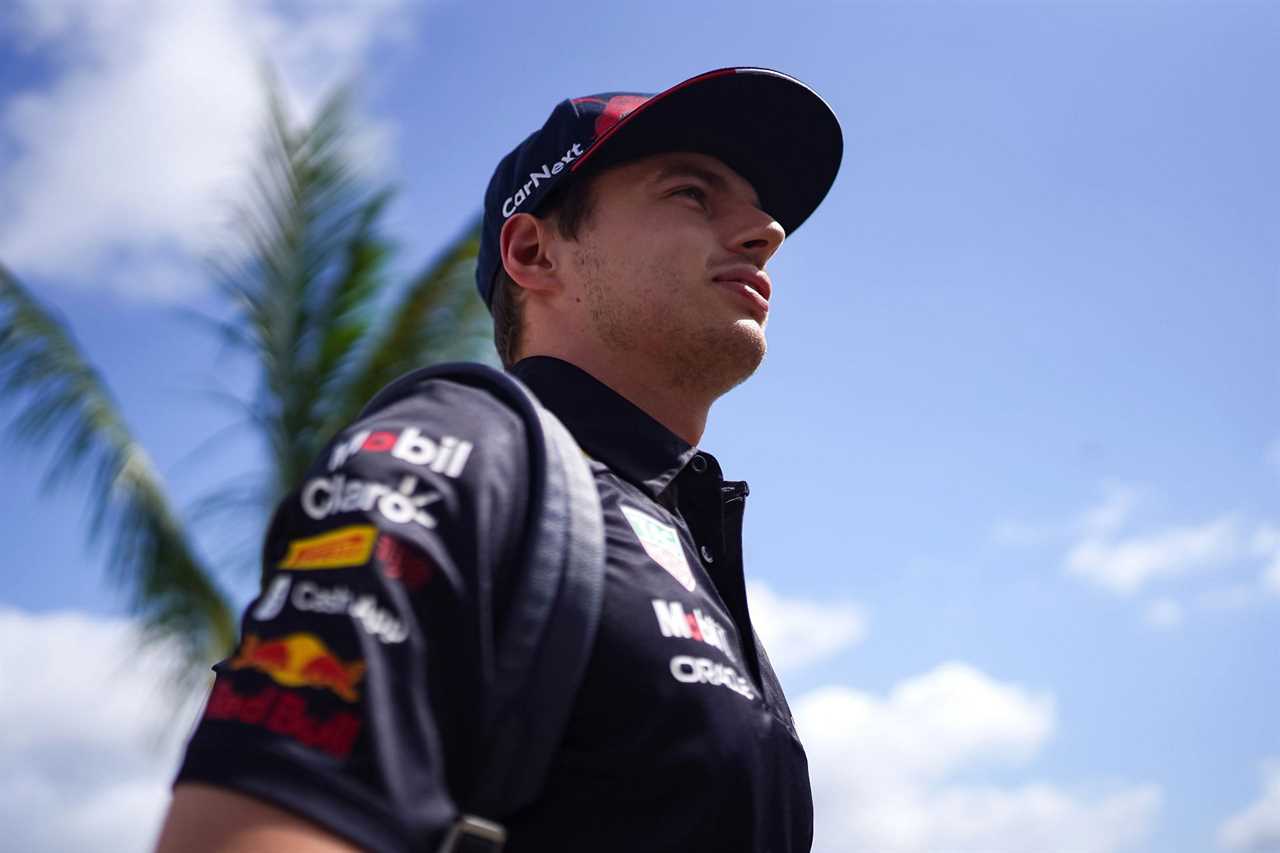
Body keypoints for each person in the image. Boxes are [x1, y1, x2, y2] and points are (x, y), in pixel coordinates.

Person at [155, 66, 842, 853]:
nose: (767, 231)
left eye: (760, 209)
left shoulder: (685, 536)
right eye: (692, 193)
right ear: (533, 252)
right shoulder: (466, 453)